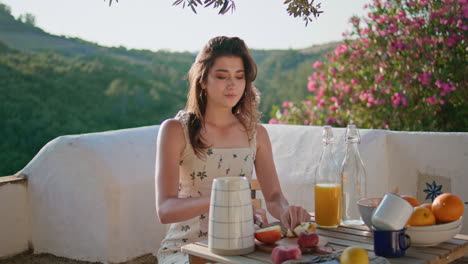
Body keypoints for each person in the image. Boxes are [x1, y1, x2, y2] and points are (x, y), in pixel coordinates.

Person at [155, 36, 310, 264]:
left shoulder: (256, 134)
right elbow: (165, 209)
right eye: (221, 76)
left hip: (242, 246)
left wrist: (287, 211)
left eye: (239, 76)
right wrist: (223, 198)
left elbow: (275, 197)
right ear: (203, 81)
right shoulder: (176, 130)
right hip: (188, 249)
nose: (232, 85)